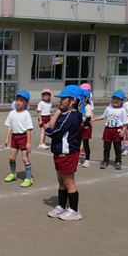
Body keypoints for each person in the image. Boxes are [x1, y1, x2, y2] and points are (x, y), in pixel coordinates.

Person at [45, 85, 84, 221]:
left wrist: (47, 129)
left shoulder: (72, 116)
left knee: (69, 183)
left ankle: (74, 210)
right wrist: (58, 111)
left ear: (73, 101)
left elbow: (54, 131)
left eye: (63, 99)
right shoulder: (65, 114)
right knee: (61, 182)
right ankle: (61, 206)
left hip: (68, 154)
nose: (60, 101)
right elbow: (52, 125)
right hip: (58, 152)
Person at [3, 90, 34, 187]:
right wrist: (7, 139)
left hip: (23, 137)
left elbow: (29, 129)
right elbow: (9, 127)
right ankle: (13, 174)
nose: (18, 102)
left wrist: (29, 143)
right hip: (14, 137)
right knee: (11, 158)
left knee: (25, 158)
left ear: (26, 103)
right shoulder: (12, 113)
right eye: (17, 100)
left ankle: (28, 178)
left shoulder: (26, 114)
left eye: (21, 100)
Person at [92, 90, 128, 170]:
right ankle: (105, 161)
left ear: (122, 101)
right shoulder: (108, 108)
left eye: (118, 99)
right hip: (108, 130)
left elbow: (125, 123)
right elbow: (103, 117)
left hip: (117, 130)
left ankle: (118, 161)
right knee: (106, 147)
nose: (116, 101)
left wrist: (123, 131)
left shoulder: (123, 110)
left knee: (117, 148)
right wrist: (94, 119)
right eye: (114, 99)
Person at [78, 90, 94, 168]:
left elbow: (88, 118)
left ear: (87, 98)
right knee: (77, 143)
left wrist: (83, 124)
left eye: (82, 97)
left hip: (86, 127)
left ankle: (87, 160)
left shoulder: (88, 106)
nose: (81, 98)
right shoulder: (79, 105)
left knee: (85, 143)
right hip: (80, 127)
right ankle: (77, 159)